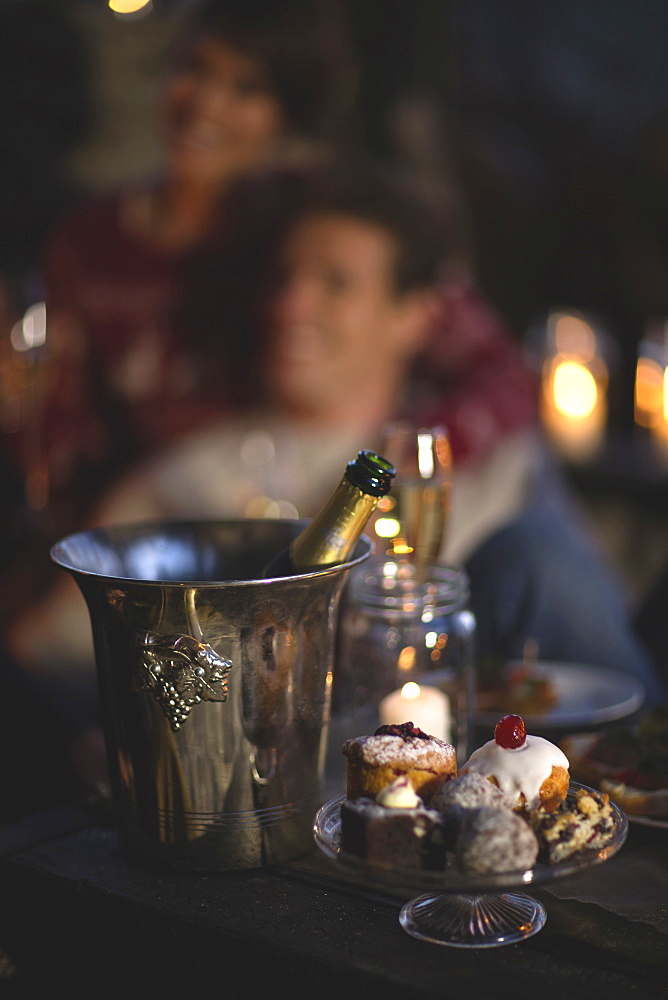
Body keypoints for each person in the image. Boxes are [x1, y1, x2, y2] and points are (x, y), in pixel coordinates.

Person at [10, 158, 666, 721]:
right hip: (298, 766)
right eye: (285, 277)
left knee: (539, 557)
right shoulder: (190, 476)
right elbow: (47, 654)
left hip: (494, 756)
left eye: (336, 283)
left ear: (416, 315)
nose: (292, 305)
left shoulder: (485, 454)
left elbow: (594, 634)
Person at [10, 0, 357, 571]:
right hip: (138, 540)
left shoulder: (313, 232)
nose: (206, 103)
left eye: (246, 90)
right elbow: (60, 436)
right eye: (195, 69)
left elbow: (473, 359)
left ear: (287, 115)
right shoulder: (88, 240)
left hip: (287, 540)